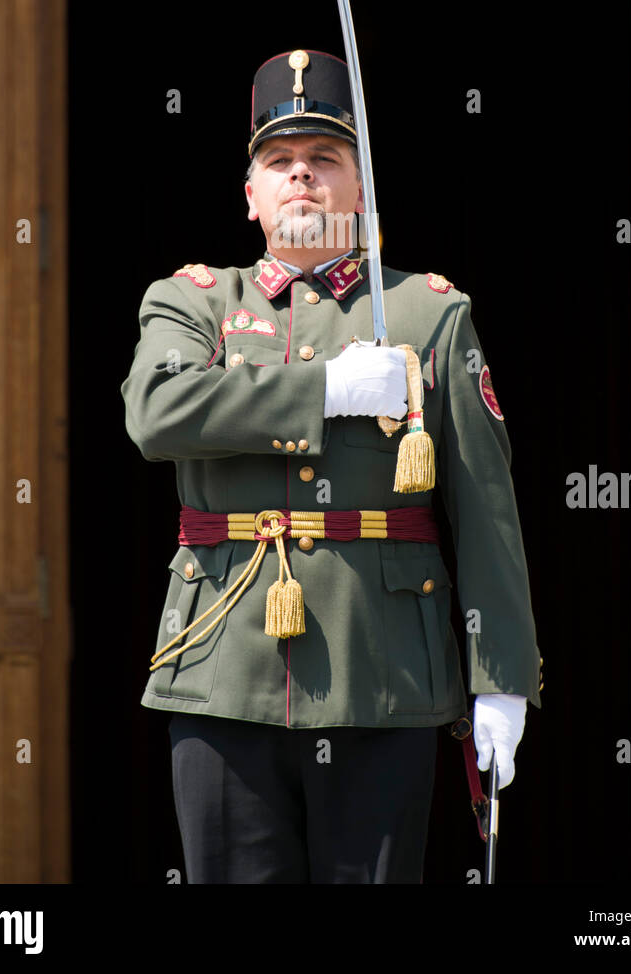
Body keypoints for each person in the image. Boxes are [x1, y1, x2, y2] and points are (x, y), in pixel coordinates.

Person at [121, 47, 542, 884]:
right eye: (278, 162)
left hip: (382, 674)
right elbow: (154, 415)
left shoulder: (429, 311)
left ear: (360, 191)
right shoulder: (195, 301)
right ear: (251, 197)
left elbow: (484, 509)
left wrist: (501, 678)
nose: (301, 177)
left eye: (324, 160)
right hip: (222, 672)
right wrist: (323, 392)